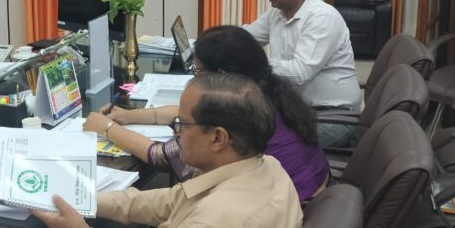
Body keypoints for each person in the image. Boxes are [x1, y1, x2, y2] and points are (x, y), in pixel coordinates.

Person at [37, 73, 302, 228]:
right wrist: (85, 199)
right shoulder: (268, 167)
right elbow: (169, 201)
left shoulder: (209, 226)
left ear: (217, 138)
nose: (176, 134)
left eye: (181, 124)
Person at [84, 25, 329, 201]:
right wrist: (128, 116)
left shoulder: (237, 117)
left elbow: (159, 155)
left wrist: (106, 128)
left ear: (221, 75)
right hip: (315, 198)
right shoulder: (264, 91)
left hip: (292, 212)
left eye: (199, 72)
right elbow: (184, 113)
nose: (195, 77)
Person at [243, 0, 360, 147]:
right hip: (298, 110)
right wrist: (211, 43)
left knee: (255, 143)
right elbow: (244, 38)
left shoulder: (322, 17)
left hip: (332, 117)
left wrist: (252, 63)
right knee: (239, 124)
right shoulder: (276, 14)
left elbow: (300, 73)